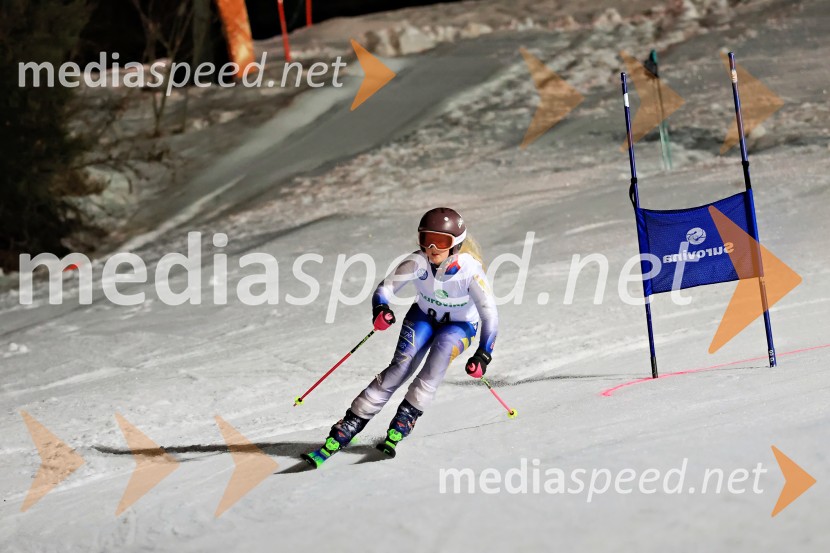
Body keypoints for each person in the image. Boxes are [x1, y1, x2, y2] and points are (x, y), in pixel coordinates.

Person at [303, 207, 499, 466]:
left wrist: (483, 354)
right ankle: (350, 423)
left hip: (460, 326)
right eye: (425, 238)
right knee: (400, 367)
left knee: (437, 361)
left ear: (456, 245)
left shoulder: (469, 271)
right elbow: (384, 289)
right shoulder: (417, 262)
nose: (432, 247)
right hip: (423, 317)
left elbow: (490, 315)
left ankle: (405, 417)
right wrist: (380, 309)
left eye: (441, 241)